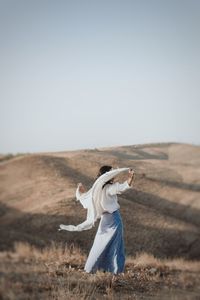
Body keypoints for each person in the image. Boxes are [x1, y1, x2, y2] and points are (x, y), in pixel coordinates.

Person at [80, 166, 135, 274]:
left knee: (99, 244)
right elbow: (123, 187)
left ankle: (92, 269)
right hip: (114, 220)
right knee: (115, 245)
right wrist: (130, 178)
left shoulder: (97, 188)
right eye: (112, 172)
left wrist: (80, 191)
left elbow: (85, 198)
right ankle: (115, 271)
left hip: (104, 220)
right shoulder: (109, 187)